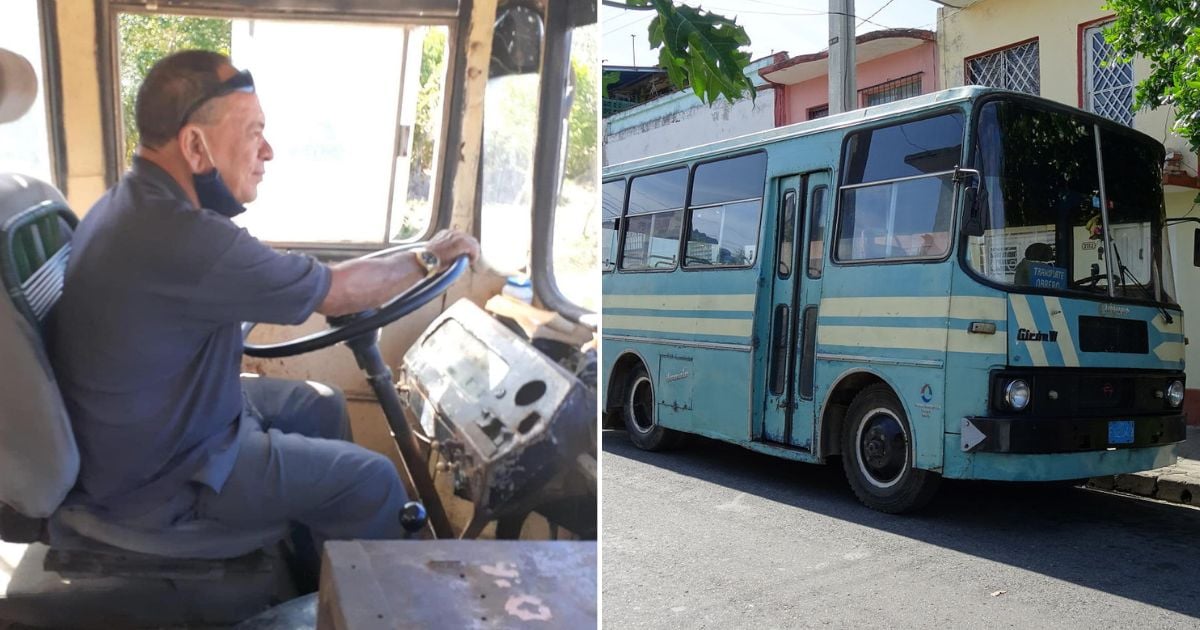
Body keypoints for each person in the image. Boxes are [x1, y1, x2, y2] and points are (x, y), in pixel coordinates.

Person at [48, 50, 479, 544]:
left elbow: (264, 277)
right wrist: (428, 258)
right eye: (254, 132)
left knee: (323, 404)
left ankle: (315, 561)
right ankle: (350, 605)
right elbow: (336, 293)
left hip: (165, 426)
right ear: (195, 145)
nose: (268, 150)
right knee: (375, 482)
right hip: (163, 477)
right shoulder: (180, 236)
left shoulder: (135, 203)